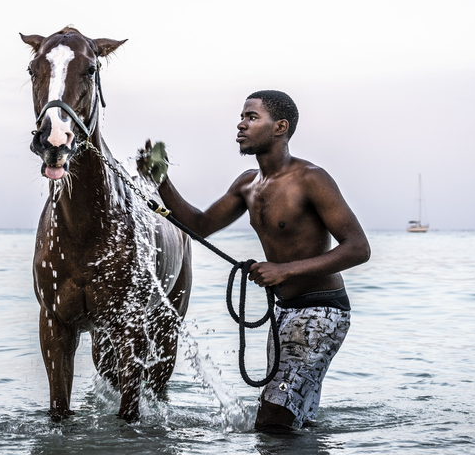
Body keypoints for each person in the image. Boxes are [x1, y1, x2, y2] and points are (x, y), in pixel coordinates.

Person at [150, 90, 371, 431]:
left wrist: (284, 270)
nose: (241, 124)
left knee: (271, 423)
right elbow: (199, 226)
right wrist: (160, 178)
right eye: (241, 116)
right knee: (293, 420)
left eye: (252, 117)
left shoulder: (311, 179)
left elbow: (358, 248)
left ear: (280, 127)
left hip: (321, 312)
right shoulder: (247, 185)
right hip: (283, 312)